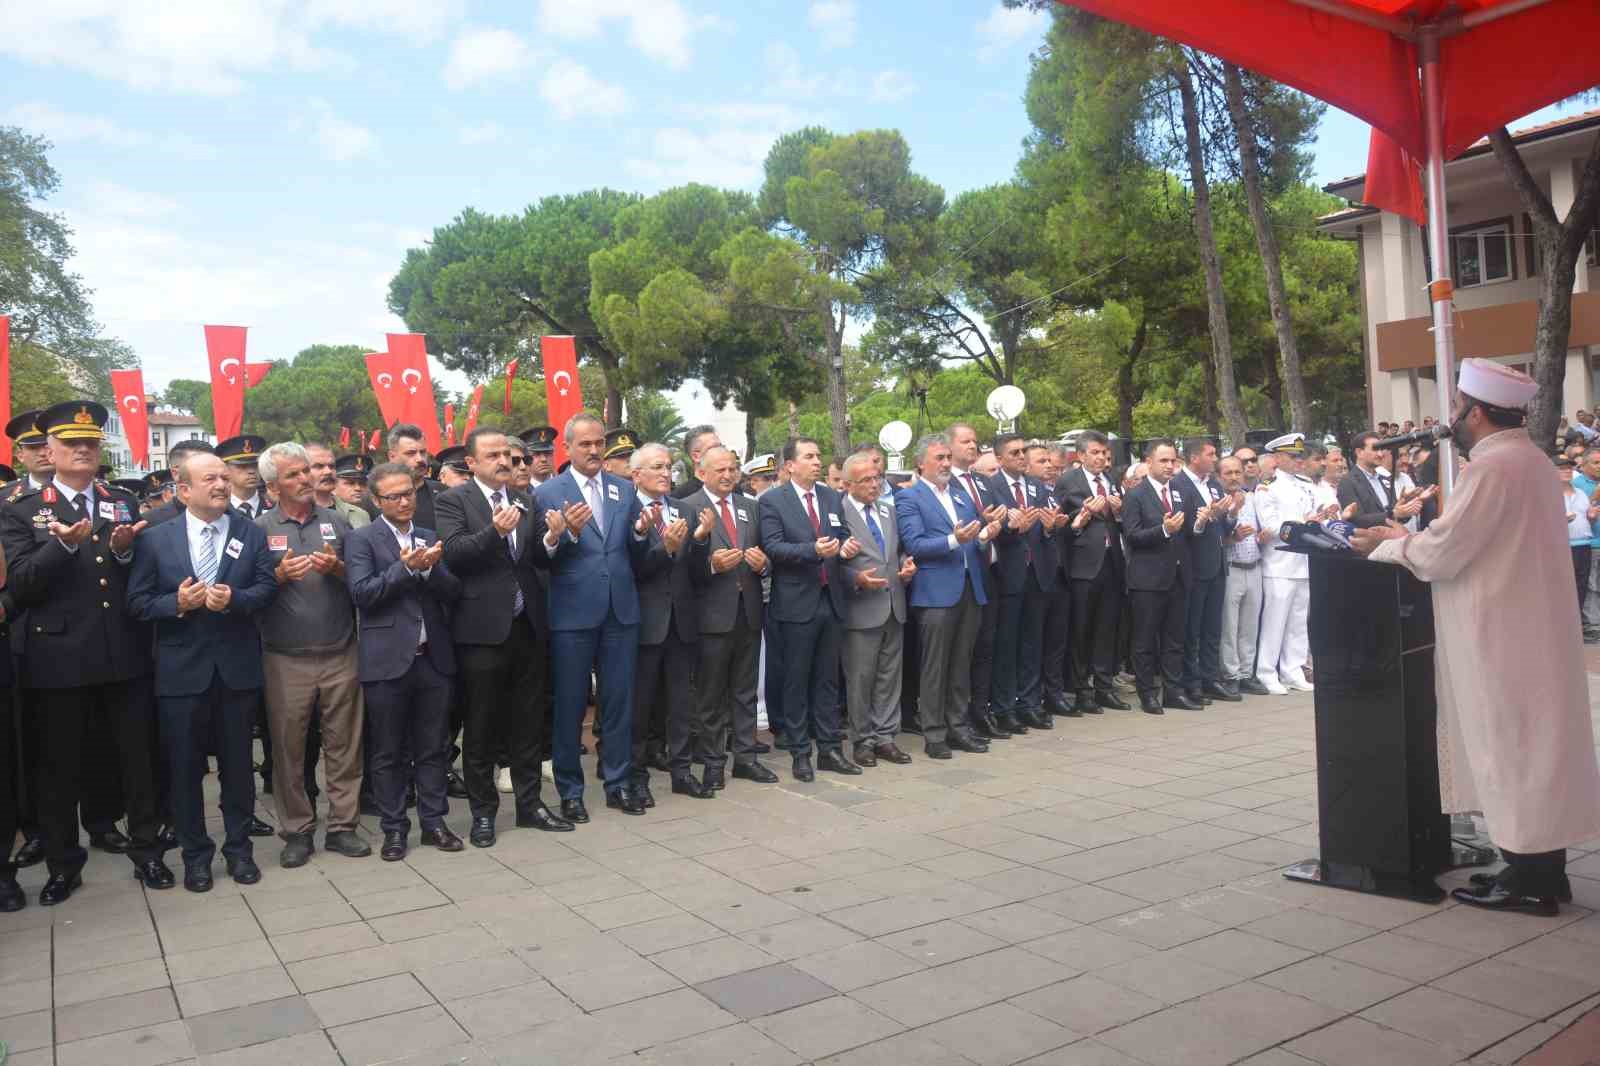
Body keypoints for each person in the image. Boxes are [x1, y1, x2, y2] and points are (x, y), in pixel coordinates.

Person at [1352, 359, 1600, 914]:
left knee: (1511, 746)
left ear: (1478, 413)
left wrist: (1387, 545)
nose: (1452, 418)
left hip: (1501, 634)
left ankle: (1532, 882)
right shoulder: (1531, 460)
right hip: (1528, 628)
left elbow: (1445, 551)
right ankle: (1535, 868)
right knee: (1535, 745)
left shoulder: (1494, 468)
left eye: (1458, 407)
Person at [0, 402, 170, 904]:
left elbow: (138, 574)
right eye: (71, 443)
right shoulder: (21, 509)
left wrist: (121, 550)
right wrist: (64, 547)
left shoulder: (120, 501)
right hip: (57, 657)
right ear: (47, 450)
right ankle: (63, 864)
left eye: (91, 443)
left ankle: (147, 851)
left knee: (135, 759)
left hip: (122, 652)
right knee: (58, 769)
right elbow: (23, 583)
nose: (82, 450)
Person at [127, 452, 278, 892]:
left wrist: (234, 598)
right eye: (209, 478)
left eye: (223, 477)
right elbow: (137, 603)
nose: (220, 484)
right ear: (183, 489)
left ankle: (239, 850)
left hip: (236, 668)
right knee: (184, 769)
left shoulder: (249, 531)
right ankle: (195, 856)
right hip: (181, 672)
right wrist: (178, 604)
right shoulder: (157, 539)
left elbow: (266, 589)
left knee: (237, 767)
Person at [436, 427, 570, 843]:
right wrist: (493, 531)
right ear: (471, 462)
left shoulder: (525, 501)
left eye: (508, 456)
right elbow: (455, 555)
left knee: (528, 722)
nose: (504, 462)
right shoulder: (452, 501)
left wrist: (551, 537)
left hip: (526, 626)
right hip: (480, 630)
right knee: (482, 725)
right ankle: (483, 813)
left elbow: (532, 561)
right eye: (492, 455)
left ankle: (530, 805)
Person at [255, 442, 370, 866]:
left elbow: (361, 581)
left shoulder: (337, 523)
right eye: (293, 475)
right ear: (272, 486)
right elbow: (249, 592)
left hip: (341, 651)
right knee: (289, 749)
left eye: (306, 471)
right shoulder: (259, 527)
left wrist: (338, 569)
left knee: (345, 745)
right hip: (285, 658)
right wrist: (278, 576)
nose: (305, 480)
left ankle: (343, 826)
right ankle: (298, 831)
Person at [534, 414, 653, 817]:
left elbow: (638, 550)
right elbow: (539, 556)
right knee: (570, 704)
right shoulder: (550, 492)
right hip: (572, 613)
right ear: (567, 448)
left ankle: (618, 783)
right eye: (584, 444)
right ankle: (570, 790)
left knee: (618, 700)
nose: (594, 450)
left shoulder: (623, 489)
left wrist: (641, 532)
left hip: (620, 610)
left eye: (598, 443)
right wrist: (560, 534)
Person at [346, 462, 466, 861]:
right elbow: (363, 593)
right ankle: (394, 829)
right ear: (377, 501)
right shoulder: (362, 540)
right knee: (388, 752)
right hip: (386, 661)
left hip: (432, 659)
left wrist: (431, 570)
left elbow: (453, 591)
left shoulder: (429, 535)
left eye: (409, 493)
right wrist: (405, 568)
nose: (404, 501)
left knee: (433, 746)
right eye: (394, 496)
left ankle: (434, 823)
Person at [759, 436, 858, 781]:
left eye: (819, 456)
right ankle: (801, 752)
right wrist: (812, 550)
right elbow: (772, 547)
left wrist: (844, 548)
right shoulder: (773, 501)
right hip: (795, 602)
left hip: (830, 600)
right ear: (790, 465)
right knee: (796, 681)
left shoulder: (831, 497)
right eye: (810, 457)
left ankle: (830, 749)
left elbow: (841, 533)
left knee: (828, 680)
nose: (818, 462)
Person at [896, 434, 1001, 758]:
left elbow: (970, 538)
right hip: (935, 593)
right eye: (939, 458)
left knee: (960, 664)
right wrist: (954, 540)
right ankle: (934, 733)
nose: (945, 464)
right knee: (934, 666)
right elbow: (914, 544)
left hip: (970, 588)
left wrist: (984, 535)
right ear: (920, 463)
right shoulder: (909, 498)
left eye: (946, 457)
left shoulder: (959, 494)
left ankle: (958, 727)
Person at [684, 446, 776, 788]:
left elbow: (768, 557)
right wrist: (710, 564)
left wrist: (762, 563)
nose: (727, 475)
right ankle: (712, 762)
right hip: (711, 615)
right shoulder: (689, 507)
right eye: (720, 469)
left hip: (748, 611)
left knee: (745, 690)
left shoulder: (751, 507)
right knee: (710, 694)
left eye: (732, 469)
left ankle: (746, 758)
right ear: (702, 473)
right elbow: (680, 565)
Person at [628, 444, 706, 801]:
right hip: (644, 620)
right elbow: (635, 568)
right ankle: (637, 775)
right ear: (636, 475)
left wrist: (701, 542)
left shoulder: (684, 510)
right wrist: (665, 549)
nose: (665, 472)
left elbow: (694, 570)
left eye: (668, 467)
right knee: (641, 704)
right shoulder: (624, 510)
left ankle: (682, 771)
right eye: (656, 467)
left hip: (681, 620)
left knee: (680, 703)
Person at [838, 451, 915, 766]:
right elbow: (831, 562)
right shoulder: (838, 512)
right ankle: (862, 740)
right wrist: (855, 578)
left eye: (877, 478)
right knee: (860, 679)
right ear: (847, 484)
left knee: (889, 676)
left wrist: (905, 566)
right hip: (860, 608)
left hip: (893, 603)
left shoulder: (888, 511)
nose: (874, 485)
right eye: (866, 480)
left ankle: (886, 737)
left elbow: (895, 553)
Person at [1122, 442, 1200, 714]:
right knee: (1145, 640)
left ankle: (1173, 691)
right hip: (1148, 579)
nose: (1169, 466)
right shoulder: (1136, 494)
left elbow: (1189, 531)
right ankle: (1147, 693)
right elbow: (1132, 535)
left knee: (1175, 639)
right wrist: (1163, 530)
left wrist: (1201, 522)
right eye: (1163, 460)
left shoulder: (1180, 492)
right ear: (1149, 462)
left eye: (1173, 461)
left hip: (1178, 576)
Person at [987, 433, 1056, 732]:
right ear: (999, 458)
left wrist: (1051, 529)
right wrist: (1011, 528)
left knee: (1033, 642)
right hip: (1007, 574)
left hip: (1037, 572)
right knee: (1007, 644)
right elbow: (992, 528)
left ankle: (1030, 703)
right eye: (1014, 452)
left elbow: (1044, 528)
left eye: (1023, 451)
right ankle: (1004, 707)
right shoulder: (991, 487)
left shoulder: (1036, 486)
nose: (1021, 456)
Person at [1059, 431, 1128, 715]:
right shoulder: (1069, 481)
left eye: (1104, 453)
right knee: (1082, 630)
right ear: (1082, 455)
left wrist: (1119, 511)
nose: (1101, 458)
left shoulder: (1110, 481)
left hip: (1111, 562)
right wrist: (1085, 516)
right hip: (1083, 565)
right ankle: (1081, 689)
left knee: (1105, 628)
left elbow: (1118, 520)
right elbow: (1063, 524)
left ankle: (1104, 686)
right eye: (1095, 453)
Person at [948, 422, 1009, 737]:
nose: (972, 446)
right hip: (962, 575)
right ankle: (959, 715)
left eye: (975, 441)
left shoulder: (983, 482)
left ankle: (980, 709)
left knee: (987, 644)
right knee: (962, 649)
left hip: (990, 571)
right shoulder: (945, 485)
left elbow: (999, 515)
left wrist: (1003, 519)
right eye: (966, 441)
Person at [1252, 433, 1319, 696]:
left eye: (1299, 456)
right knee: (1275, 622)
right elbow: (1269, 524)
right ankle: (1267, 671)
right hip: (1279, 563)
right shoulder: (1267, 486)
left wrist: (1313, 520)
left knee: (1298, 622)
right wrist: (1301, 525)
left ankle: (1293, 669)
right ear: (1277, 458)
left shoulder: (1303, 484)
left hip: (1302, 562)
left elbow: (1308, 513)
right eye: (1292, 456)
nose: (1298, 461)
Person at [1177, 438, 1239, 704]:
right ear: (1194, 458)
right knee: (1193, 628)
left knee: (1213, 626)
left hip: (1216, 564)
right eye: (1211, 454)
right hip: (1194, 566)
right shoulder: (1179, 485)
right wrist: (1206, 519)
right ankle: (1192, 682)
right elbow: (1184, 530)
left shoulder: (1213, 484)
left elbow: (1222, 528)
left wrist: (1232, 515)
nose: (1215, 459)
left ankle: (1211, 677)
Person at [1558, 456, 1598, 618]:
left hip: (1584, 545)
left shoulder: (1580, 493)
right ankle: (1564, 623)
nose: (1567, 470)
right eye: (1562, 468)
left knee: (1581, 586)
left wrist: (1592, 516)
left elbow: (1587, 517)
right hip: (1562, 547)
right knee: (1563, 587)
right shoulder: (1548, 493)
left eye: (1569, 467)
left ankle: (1578, 624)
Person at [307, 443, 370, 529]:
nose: (328, 471)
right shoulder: (290, 513)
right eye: (319, 466)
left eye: (332, 466)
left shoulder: (359, 514)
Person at [217, 435, 269, 517]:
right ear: (225, 469)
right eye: (242, 466)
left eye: (255, 465)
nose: (251, 471)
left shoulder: (274, 506)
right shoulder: (216, 510)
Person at [673, 425, 721, 499]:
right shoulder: (680, 498)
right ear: (696, 456)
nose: (722, 452)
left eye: (721, 447)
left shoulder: (734, 490)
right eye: (714, 448)